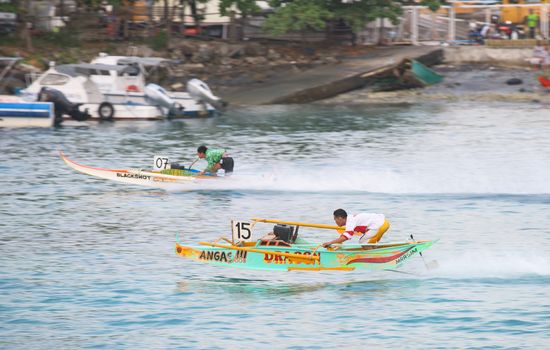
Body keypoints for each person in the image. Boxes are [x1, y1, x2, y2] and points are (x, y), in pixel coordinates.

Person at [322, 209, 390, 248]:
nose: (335, 221)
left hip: (378, 225)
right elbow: (346, 235)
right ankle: (376, 251)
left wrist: (330, 242)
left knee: (363, 242)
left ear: (340, 218)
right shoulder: (351, 218)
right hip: (384, 223)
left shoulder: (350, 221)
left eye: (335, 219)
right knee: (370, 243)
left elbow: (346, 237)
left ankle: (374, 257)